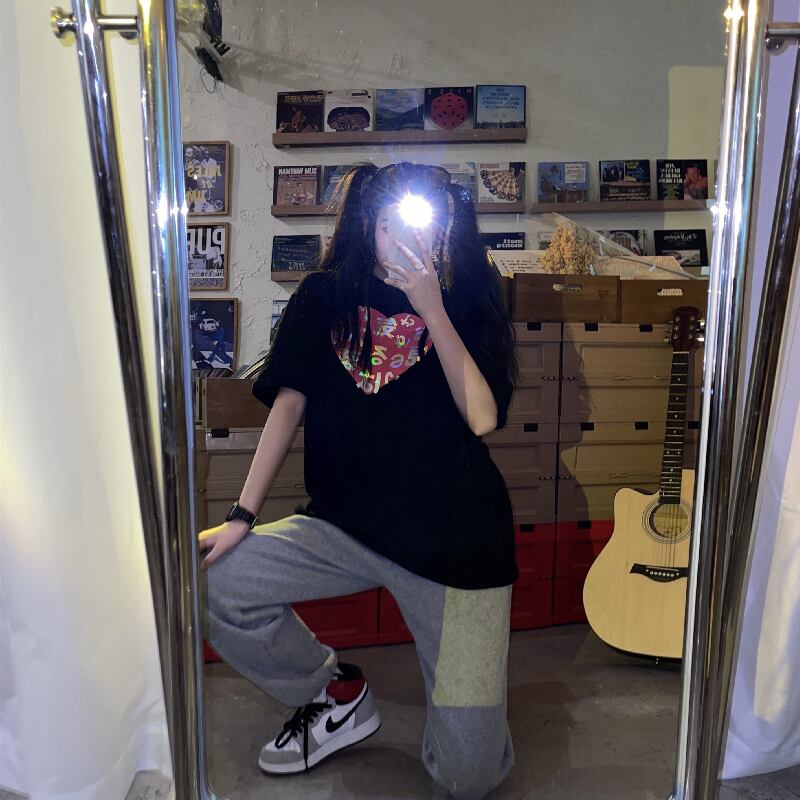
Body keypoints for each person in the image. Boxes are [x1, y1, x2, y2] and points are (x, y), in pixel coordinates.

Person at [199, 162, 520, 800]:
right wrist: (241, 516)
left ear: (446, 226)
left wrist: (431, 307)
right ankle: (335, 693)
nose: (406, 235)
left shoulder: (468, 294)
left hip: (458, 547)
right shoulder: (325, 297)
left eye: (422, 220)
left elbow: (483, 418)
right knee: (208, 576)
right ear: (368, 224)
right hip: (343, 526)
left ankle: (467, 729)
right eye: (390, 220)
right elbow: (288, 405)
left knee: (469, 778)